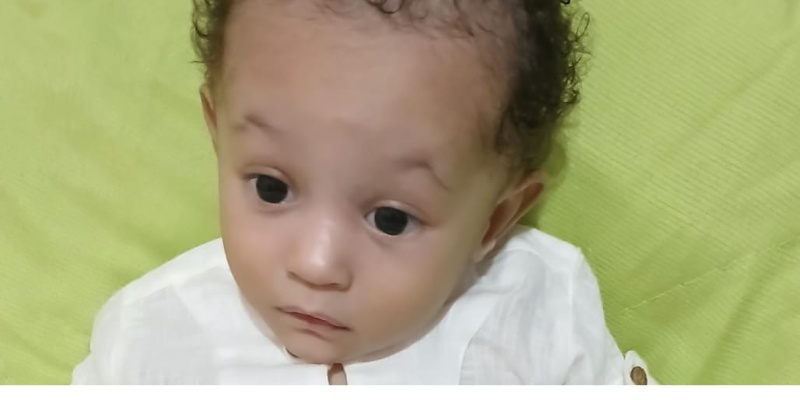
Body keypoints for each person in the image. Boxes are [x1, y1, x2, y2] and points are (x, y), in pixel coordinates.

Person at [72, 0, 657, 385]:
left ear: (493, 220)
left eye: (391, 219)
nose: (316, 264)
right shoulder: (149, 340)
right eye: (272, 188)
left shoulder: (535, 310)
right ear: (219, 135)